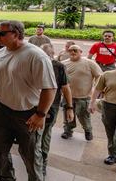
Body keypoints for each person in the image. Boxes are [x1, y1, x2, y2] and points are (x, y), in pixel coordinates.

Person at [0, 20, 57, 181]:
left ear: (16, 34)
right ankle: (6, 178)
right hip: (3, 110)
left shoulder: (36, 56)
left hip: (28, 114)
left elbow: (50, 88)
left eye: (2, 33)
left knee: (30, 156)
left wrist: (40, 114)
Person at [39, 43, 74, 176]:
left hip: (51, 107)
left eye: (46, 55)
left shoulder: (59, 67)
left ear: (52, 55)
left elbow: (66, 88)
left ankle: (43, 162)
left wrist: (69, 108)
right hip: (33, 105)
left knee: (45, 133)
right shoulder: (35, 63)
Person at [61, 45, 102, 141]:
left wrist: (97, 90)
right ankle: (68, 131)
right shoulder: (63, 64)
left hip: (84, 97)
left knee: (84, 117)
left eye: (75, 50)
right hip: (68, 97)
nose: (73, 52)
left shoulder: (89, 63)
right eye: (70, 50)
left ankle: (88, 131)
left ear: (81, 51)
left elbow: (100, 77)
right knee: (67, 115)